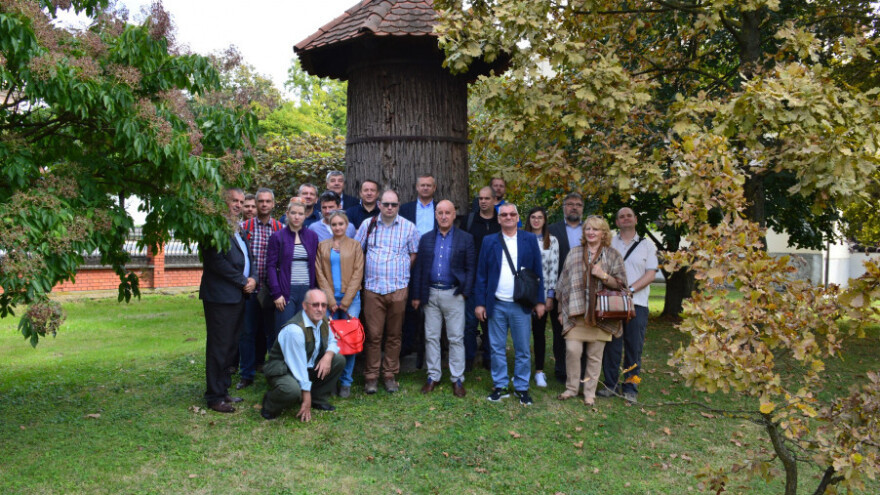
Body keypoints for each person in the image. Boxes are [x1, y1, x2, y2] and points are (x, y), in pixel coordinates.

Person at [474, 203, 545, 406]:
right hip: (495, 302)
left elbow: (537, 273)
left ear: (517, 217)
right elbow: (481, 275)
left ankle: (522, 387)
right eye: (503, 214)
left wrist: (539, 301)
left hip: (520, 303)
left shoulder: (529, 239)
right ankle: (501, 385)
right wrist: (480, 303)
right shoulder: (489, 241)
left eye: (512, 214)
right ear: (498, 219)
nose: (507, 217)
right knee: (496, 347)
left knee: (522, 348)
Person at [555, 215, 627, 406]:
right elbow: (563, 284)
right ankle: (571, 388)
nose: (591, 232)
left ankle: (589, 393)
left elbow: (621, 286)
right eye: (588, 229)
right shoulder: (574, 253)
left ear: (604, 233)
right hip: (576, 314)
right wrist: (561, 311)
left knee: (595, 357)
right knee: (572, 350)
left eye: (595, 229)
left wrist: (603, 275)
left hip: (600, 316)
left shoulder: (613, 255)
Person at [354, 190, 420, 394]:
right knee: (373, 335)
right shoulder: (368, 224)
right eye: (386, 204)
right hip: (373, 288)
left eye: (394, 204)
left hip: (398, 289)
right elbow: (357, 250)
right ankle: (371, 376)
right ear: (379, 205)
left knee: (394, 335)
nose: (390, 208)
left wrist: (400, 272)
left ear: (399, 206)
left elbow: (413, 253)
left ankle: (390, 374)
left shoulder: (408, 227)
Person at [199, 187, 256, 413]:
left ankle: (223, 390)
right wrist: (243, 280)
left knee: (230, 347)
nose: (238, 205)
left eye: (241, 202)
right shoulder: (212, 228)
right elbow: (216, 262)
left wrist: (253, 279)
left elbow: (247, 258)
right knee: (219, 347)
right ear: (223, 202)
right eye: (234, 200)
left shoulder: (237, 229)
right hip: (220, 298)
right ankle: (214, 397)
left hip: (237, 296)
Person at [410, 200, 475, 398]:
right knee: (431, 337)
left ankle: (457, 378)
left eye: (448, 212)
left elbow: (471, 268)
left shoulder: (465, 238)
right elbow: (420, 268)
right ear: (435, 215)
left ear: (454, 215)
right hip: (430, 294)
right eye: (440, 213)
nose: (444, 216)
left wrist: (464, 292)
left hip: (454, 294)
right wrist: (417, 295)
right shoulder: (427, 238)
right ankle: (433, 376)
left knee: (456, 337)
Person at [599, 207, 658, 402]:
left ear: (635, 220)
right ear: (616, 222)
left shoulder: (647, 246)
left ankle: (631, 387)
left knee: (634, 347)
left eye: (629, 216)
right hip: (613, 303)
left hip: (637, 303)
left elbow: (650, 274)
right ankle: (610, 384)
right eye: (621, 217)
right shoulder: (608, 243)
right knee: (612, 346)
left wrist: (630, 290)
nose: (625, 219)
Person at [260, 289, 345, 421]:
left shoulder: (322, 321)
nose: (320, 309)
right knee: (291, 390)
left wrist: (328, 356)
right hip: (284, 369)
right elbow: (297, 366)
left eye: (323, 305)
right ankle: (269, 404)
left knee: (338, 359)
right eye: (315, 305)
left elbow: (333, 341)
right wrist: (306, 397)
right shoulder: (295, 330)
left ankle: (318, 398)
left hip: (304, 367)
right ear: (305, 306)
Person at [237, 188, 284, 390]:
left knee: (272, 334)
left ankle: (272, 372)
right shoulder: (243, 227)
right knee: (247, 333)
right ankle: (246, 374)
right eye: (260, 201)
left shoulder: (280, 228)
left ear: (273, 204)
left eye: (268, 201)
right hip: (249, 290)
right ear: (255, 204)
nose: (264, 204)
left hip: (272, 290)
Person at [315, 211, 364, 399]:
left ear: (346, 225)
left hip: (350, 300)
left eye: (341, 224)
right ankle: (330, 381)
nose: (337, 228)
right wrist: (331, 301)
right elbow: (320, 274)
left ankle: (346, 382)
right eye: (334, 224)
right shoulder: (323, 246)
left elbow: (358, 273)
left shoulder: (355, 246)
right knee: (329, 340)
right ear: (330, 226)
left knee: (350, 340)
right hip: (328, 301)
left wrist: (345, 302)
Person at [461, 186, 501, 371]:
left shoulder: (501, 222)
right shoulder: (470, 221)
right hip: (472, 279)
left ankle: (488, 358)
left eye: (486, 198)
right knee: (470, 323)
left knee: (490, 322)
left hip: (495, 280)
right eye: (480, 198)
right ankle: (468, 358)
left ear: (494, 200)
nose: (483, 201)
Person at [266, 200, 319, 336]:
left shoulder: (312, 237)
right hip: (286, 291)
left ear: (305, 216)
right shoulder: (277, 237)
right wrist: (276, 293)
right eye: (293, 213)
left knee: (305, 332)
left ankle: (302, 358)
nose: (297, 217)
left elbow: (315, 265)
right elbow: (271, 267)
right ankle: (282, 358)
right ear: (287, 214)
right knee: (286, 331)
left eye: (300, 214)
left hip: (306, 291)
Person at [547, 192, 585, 382]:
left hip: (585, 289)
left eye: (578, 204)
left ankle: (582, 370)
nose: (574, 207)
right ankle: (562, 370)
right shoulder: (552, 229)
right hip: (559, 288)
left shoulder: (589, 229)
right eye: (570, 204)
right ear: (564, 207)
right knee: (559, 330)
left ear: (582, 208)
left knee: (583, 329)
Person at [523, 206, 559, 388]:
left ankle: (539, 372)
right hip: (522, 293)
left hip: (541, 296)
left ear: (544, 220)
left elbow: (553, 269)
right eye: (533, 217)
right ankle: (521, 372)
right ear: (529, 220)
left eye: (540, 217)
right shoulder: (521, 239)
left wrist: (550, 296)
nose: (536, 220)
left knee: (538, 334)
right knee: (521, 335)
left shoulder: (551, 241)